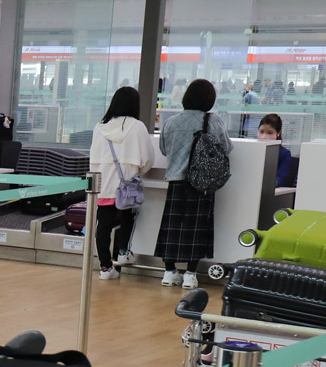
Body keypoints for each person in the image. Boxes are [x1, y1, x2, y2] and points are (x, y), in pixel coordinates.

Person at [154, 78, 229, 288]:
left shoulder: (171, 122)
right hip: (202, 182)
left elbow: (164, 149)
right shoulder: (213, 122)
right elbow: (226, 148)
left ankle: (169, 272)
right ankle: (190, 274)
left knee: (171, 227)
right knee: (197, 228)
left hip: (176, 180)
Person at [89, 86, 159, 280]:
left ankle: (105, 268)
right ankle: (122, 252)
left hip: (103, 184)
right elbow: (147, 158)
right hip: (126, 184)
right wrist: (137, 172)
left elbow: (93, 158)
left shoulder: (99, 127)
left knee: (103, 225)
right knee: (128, 216)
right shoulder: (137, 127)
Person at [257, 112, 294, 187]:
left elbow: (279, 180)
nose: (264, 136)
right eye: (261, 132)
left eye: (269, 133)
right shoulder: (253, 150)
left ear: (278, 133)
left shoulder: (284, 154)